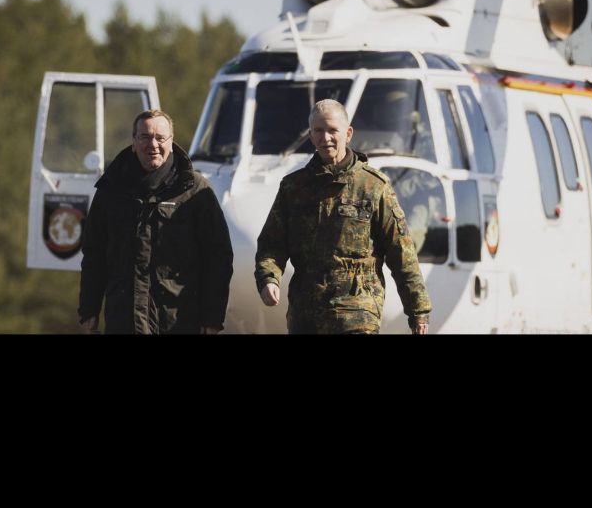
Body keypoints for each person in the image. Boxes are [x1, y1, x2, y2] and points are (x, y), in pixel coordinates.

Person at [255, 99, 431, 334]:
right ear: (310, 135)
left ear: (348, 134)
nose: (325, 137)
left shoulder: (374, 186)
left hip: (356, 313)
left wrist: (418, 311)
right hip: (306, 315)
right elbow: (271, 244)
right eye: (318, 131)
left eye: (332, 130)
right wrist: (269, 279)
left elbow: (402, 252)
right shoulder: (293, 188)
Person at [78, 109, 233, 334]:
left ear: (171, 142)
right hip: (123, 322)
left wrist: (212, 318)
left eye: (160, 138)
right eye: (145, 137)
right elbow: (94, 255)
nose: (153, 144)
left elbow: (218, 257)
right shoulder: (110, 190)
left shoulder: (196, 192)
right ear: (134, 142)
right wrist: (89, 309)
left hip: (178, 322)